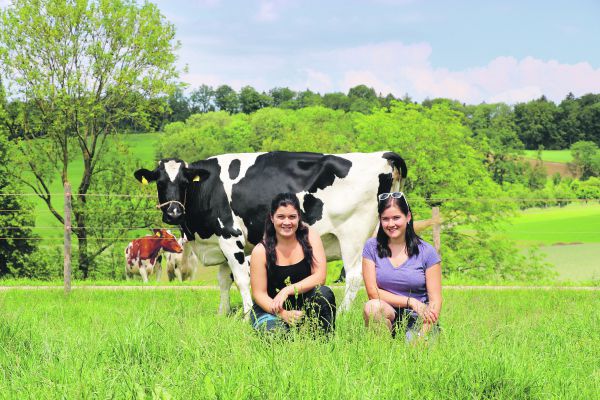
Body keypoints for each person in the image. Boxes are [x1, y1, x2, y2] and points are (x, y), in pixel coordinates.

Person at [249, 192, 336, 334]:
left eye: (292, 217)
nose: (287, 222)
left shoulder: (310, 236)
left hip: (303, 307)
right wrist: (282, 314)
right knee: (276, 335)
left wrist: (288, 290)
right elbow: (259, 294)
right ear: (272, 218)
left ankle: (324, 341)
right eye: (281, 217)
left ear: (299, 217)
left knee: (324, 293)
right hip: (271, 309)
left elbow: (320, 277)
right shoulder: (260, 251)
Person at [362, 192, 442, 341]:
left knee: (413, 348)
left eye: (396, 218)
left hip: (419, 318)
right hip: (389, 314)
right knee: (371, 307)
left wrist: (422, 335)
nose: (390, 224)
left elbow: (435, 301)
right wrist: (410, 301)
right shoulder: (371, 247)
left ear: (408, 217)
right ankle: (382, 349)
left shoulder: (427, 251)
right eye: (385, 219)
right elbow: (373, 293)